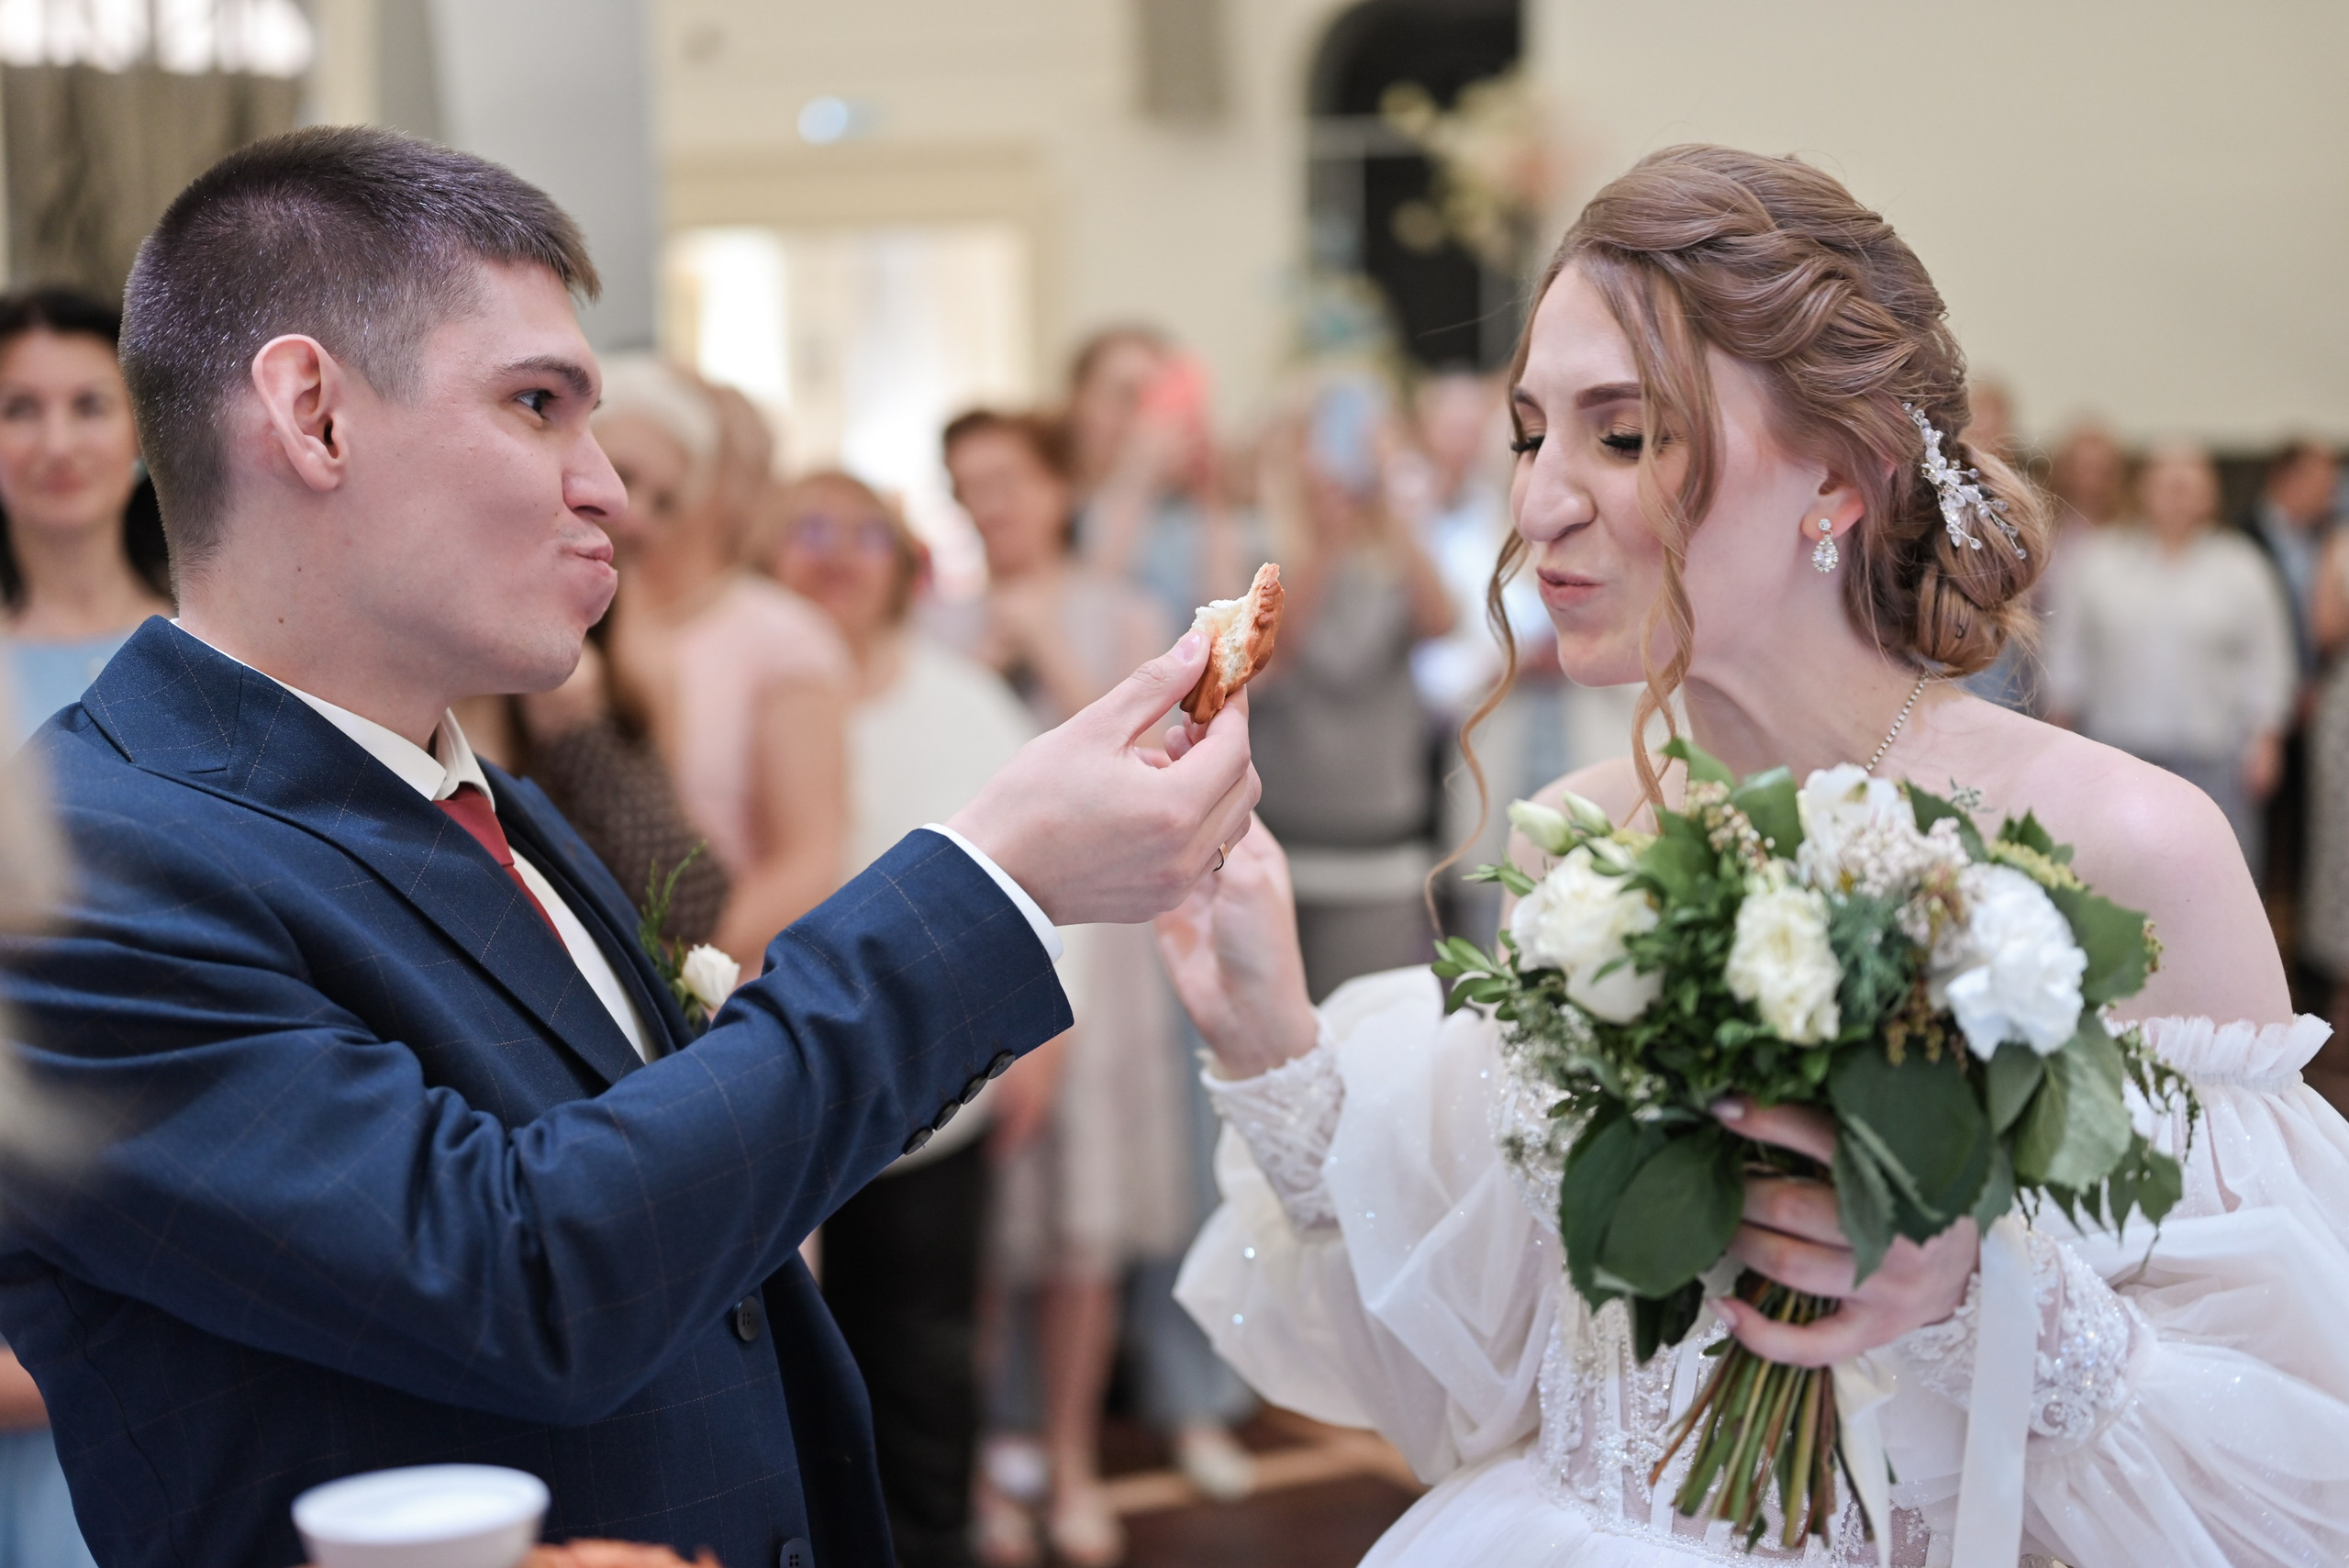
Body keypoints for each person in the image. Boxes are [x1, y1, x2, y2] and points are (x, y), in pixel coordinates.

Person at [0, 127, 1260, 1568]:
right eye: (537, 404)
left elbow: (667, 1186)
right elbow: (524, 1272)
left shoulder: (487, 798)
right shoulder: (85, 868)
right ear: (315, 416)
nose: (604, 488)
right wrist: (997, 881)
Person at [1157, 144, 2349, 1566]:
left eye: (1626, 433)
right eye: (1536, 432)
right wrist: (1267, 1032)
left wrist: (1985, 1297)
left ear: (1838, 479)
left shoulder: (2128, 844)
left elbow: (2290, 1457)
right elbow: (1474, 1378)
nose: (1540, 505)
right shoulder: (1582, 846)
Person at [934, 409, 1230, 1567]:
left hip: (1103, 940)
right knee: (983, 1211)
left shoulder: (1127, 615)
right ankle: (980, 1463)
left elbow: (1148, 766)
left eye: (1004, 481)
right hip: (981, 921)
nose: (987, 507)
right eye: (966, 489)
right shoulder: (937, 620)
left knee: (1083, 1224)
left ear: (1056, 485)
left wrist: (1043, 649)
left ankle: (1068, 1458)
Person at [763, 469, 1058, 1568]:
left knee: (928, 1369)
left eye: (862, 534)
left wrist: (1038, 1049)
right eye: (806, 527)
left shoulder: (961, 697)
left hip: (943, 1095)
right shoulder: (744, 681)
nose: (835, 553)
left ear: (903, 563)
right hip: (772, 1097)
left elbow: (1037, 876)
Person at [590, 355, 852, 966]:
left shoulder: (784, 636)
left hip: (716, 973)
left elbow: (811, 859)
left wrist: (678, 966)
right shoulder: (587, 611)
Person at [1249, 376, 1455, 999]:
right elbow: (1272, 652)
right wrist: (1325, 542)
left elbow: (1441, 622)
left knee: (1372, 1048)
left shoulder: (1392, 560)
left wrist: (1392, 502)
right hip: (1278, 849)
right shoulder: (1260, 549)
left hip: (1379, 860)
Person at [2043, 442, 2295, 865]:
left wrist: (2266, 738)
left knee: (2218, 879)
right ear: (2142, 488)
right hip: (2116, 755)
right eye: (2166, 480)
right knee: (2114, 879)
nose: (2177, 492)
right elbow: (2066, 652)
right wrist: (2060, 730)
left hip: (2215, 763)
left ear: (2210, 493)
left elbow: (2269, 659)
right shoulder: (2097, 562)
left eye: (2189, 481)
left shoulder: (2243, 566)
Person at [0, 288, 173, 746]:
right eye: (19, 409)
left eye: (90, 406)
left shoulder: (219, 634)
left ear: (141, 431)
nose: (58, 445)